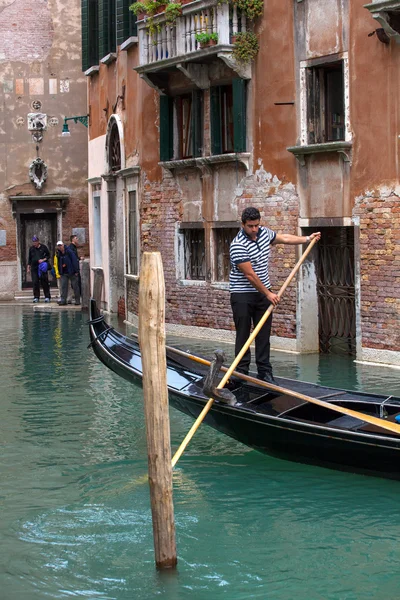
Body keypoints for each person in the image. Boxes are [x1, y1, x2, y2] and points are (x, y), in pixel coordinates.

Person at [229, 207, 321, 383]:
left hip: (263, 293)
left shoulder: (264, 233)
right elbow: (250, 275)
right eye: (250, 226)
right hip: (242, 294)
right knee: (243, 334)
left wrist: (307, 238)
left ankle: (265, 372)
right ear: (243, 225)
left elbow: (284, 238)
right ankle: (241, 373)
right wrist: (269, 293)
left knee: (264, 334)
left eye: (256, 225)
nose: (254, 229)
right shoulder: (237, 245)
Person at [54, 241, 81, 306]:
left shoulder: (69, 251)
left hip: (72, 272)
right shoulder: (58, 253)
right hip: (63, 272)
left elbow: (74, 260)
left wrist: (76, 271)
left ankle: (77, 300)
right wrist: (59, 272)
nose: (60, 247)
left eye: (60, 245)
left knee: (75, 286)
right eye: (58, 246)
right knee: (63, 286)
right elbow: (58, 263)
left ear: (63, 245)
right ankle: (63, 300)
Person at [27, 235, 51, 303]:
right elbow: (30, 258)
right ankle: (36, 297)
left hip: (42, 267)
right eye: (33, 242)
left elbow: (48, 255)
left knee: (44, 282)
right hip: (34, 267)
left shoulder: (43, 247)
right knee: (35, 282)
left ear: (38, 241)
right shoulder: (31, 249)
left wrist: (43, 260)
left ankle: (47, 296)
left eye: (35, 242)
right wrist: (28, 266)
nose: (34, 243)